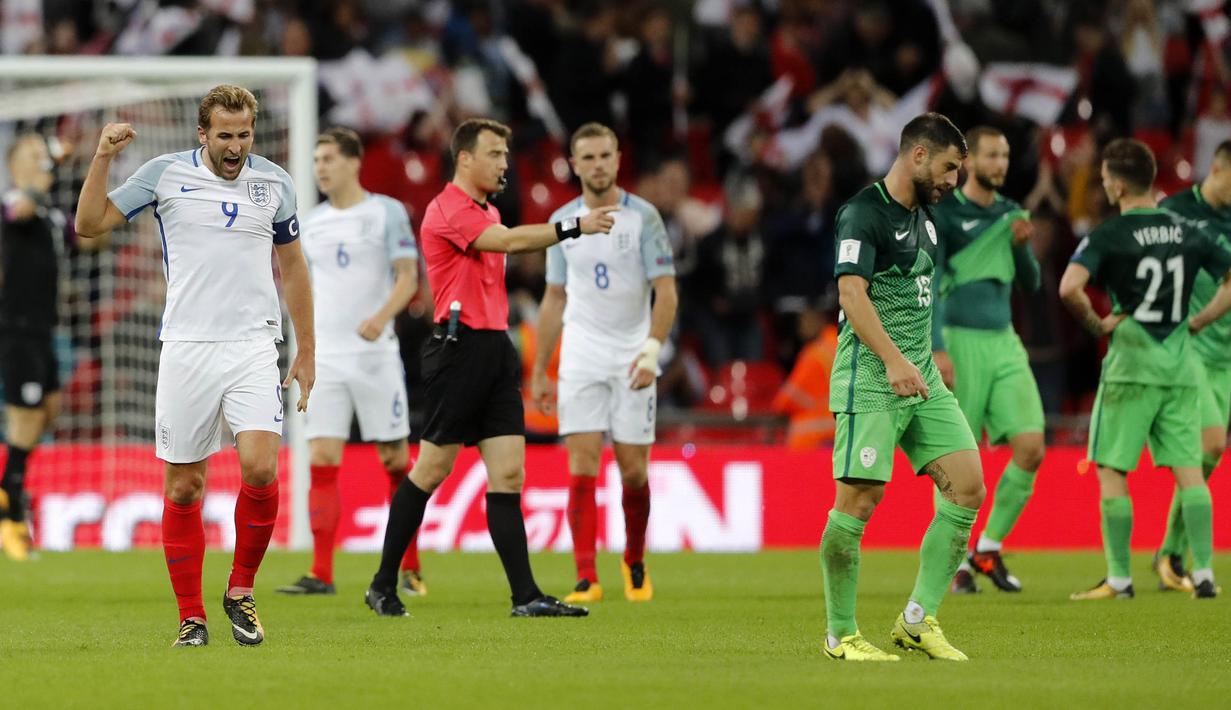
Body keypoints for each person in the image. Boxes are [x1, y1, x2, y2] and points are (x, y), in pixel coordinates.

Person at [74, 85, 316, 647]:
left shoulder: (274, 183)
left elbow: (295, 267)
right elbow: (90, 224)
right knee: (185, 487)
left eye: (244, 134)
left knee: (259, 467)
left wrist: (307, 347)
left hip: (254, 344)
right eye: (225, 136)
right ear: (202, 134)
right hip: (186, 346)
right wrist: (103, 156)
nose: (236, 147)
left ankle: (241, 592)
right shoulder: (164, 175)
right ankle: (192, 616)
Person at [363, 118, 617, 618]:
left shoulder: (486, 210)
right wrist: (573, 225)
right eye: (496, 154)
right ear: (465, 159)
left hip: (495, 349)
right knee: (432, 468)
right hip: (458, 351)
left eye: (505, 154)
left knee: (509, 474)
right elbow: (508, 243)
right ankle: (382, 583)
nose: (505, 164)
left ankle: (525, 596)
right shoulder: (448, 209)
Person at [822, 113, 984, 663]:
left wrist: (922, 358)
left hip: (922, 379)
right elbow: (852, 296)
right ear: (918, 155)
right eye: (948, 168)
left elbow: (916, 297)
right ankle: (840, 635)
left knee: (967, 486)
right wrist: (893, 361)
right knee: (858, 502)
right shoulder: (862, 213)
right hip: (871, 377)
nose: (952, 181)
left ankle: (917, 620)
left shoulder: (928, 221)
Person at [1060, 138, 1231, 602]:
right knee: (1190, 472)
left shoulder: (1109, 235)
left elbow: (1069, 287)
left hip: (1132, 366)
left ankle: (1119, 578)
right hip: (1179, 366)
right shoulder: (1187, 230)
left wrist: (1099, 323)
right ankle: (1204, 574)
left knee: (1113, 469)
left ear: (1115, 183)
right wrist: (1198, 320)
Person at [531, 122, 678, 603]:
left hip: (633, 355)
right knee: (582, 465)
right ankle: (585, 576)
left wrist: (653, 349)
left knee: (634, 472)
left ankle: (634, 560)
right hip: (581, 356)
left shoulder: (644, 219)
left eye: (604, 156)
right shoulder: (562, 221)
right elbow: (553, 299)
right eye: (587, 157)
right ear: (574, 165)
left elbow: (666, 291)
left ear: (618, 160)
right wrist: (539, 369)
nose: (597, 164)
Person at [276, 127, 423, 597]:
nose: (320, 167)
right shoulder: (310, 221)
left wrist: (382, 317)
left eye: (328, 158)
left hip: (376, 355)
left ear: (354, 162)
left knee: (395, 459)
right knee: (322, 457)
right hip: (328, 357)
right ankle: (321, 572)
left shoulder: (386, 213)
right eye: (316, 159)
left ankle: (410, 565)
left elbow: (408, 277)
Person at [929, 126, 1044, 594]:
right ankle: (954, 563)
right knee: (958, 462)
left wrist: (1022, 248)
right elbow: (932, 282)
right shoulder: (948, 214)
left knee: (1032, 447)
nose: (1001, 164)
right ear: (970, 161)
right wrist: (936, 346)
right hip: (959, 341)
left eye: (1007, 155)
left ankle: (988, 547)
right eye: (993, 155)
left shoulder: (1011, 215)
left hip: (1004, 342)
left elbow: (1032, 285)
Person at [1153, 140, 1231, 591]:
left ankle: (1170, 553)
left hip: (1225, 356)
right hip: (1190, 347)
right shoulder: (1177, 212)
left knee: (1207, 458)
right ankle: (1173, 553)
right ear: (1216, 168)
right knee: (1212, 444)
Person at [0, 134, 62, 561]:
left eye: (44, 153)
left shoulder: (49, 214)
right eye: (32, 155)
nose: (42, 160)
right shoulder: (11, 202)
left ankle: (9, 491)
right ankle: (11, 524)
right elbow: (17, 209)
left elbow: (91, 241)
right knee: (23, 423)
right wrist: (49, 170)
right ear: (13, 162)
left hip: (45, 330)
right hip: (16, 329)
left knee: (48, 413)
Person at [771, 298, 838, 450]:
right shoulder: (842, 344)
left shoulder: (815, 353)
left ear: (817, 317)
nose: (801, 325)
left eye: (804, 318)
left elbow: (784, 402)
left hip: (815, 440)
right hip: (843, 433)